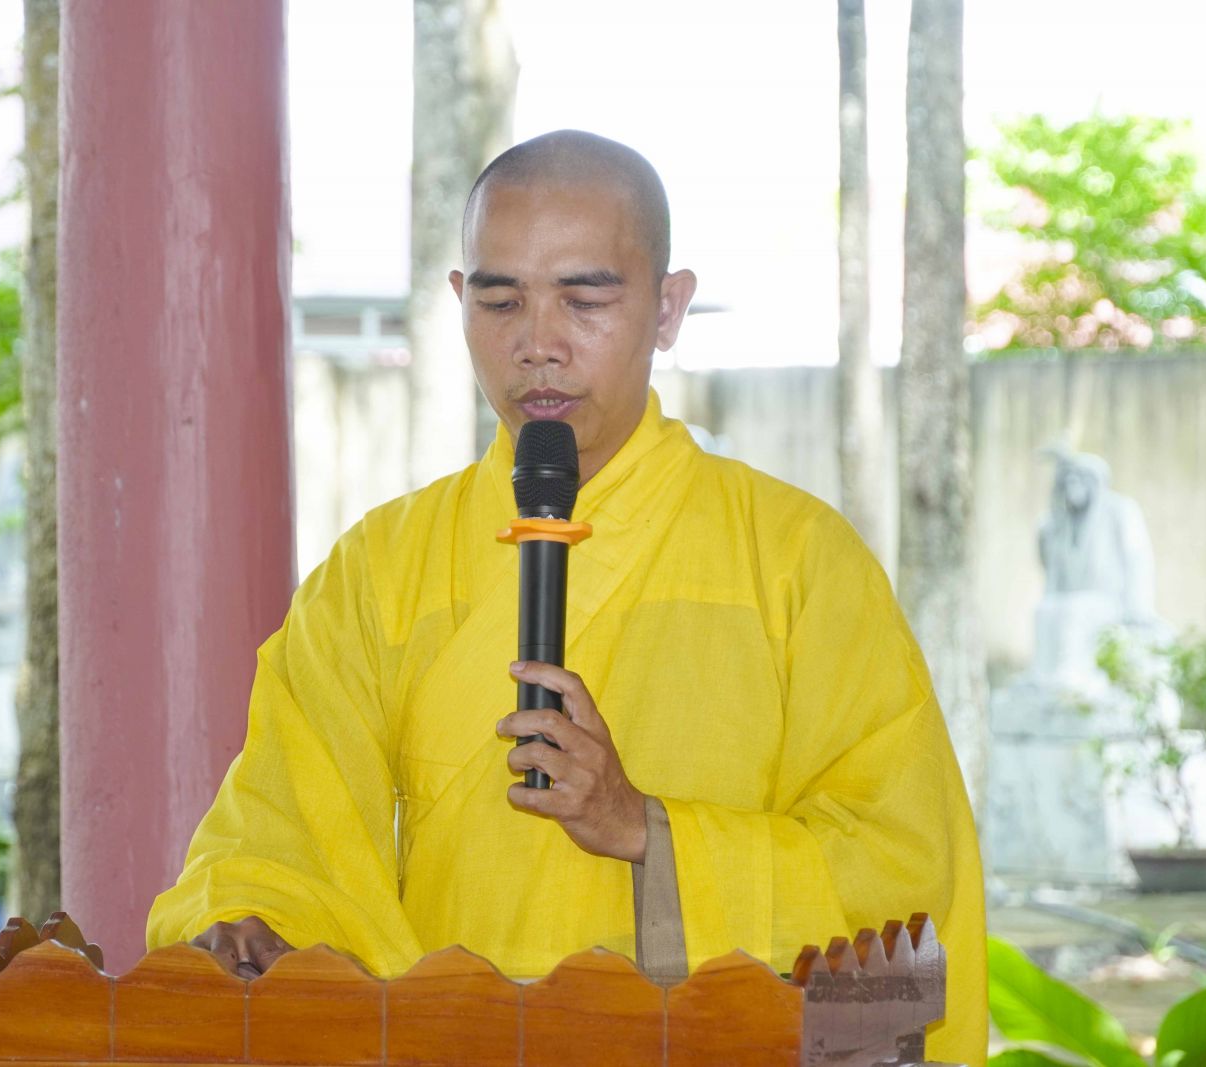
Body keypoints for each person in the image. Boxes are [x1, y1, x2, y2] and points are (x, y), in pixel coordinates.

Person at [147, 130, 986, 1062]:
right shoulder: (377, 571)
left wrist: (648, 831)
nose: (538, 345)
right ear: (459, 302)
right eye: (500, 300)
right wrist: (252, 921)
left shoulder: (798, 562)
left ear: (668, 308)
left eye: (585, 300)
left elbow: (905, 870)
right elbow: (278, 832)